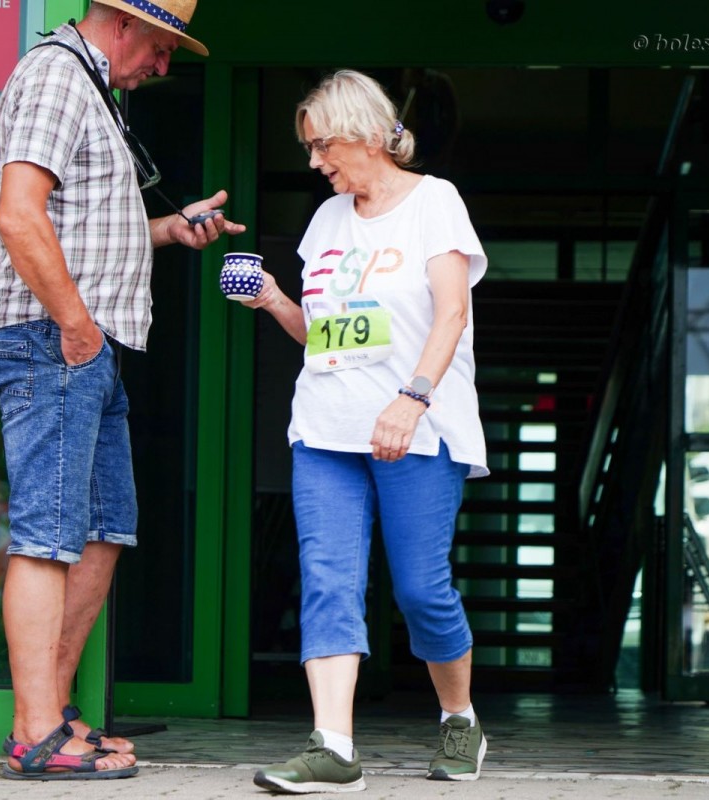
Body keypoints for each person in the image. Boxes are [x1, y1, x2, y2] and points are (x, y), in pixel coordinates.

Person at [0, 0, 244, 780]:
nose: (163, 66)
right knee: (49, 530)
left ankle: (53, 716)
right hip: (54, 337)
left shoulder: (93, 89)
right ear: (123, 25)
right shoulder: (58, 77)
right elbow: (20, 217)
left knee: (102, 527)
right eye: (161, 47)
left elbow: (79, 222)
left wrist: (169, 228)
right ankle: (35, 733)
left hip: (83, 342)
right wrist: (77, 328)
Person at [241, 70, 489, 793]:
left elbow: (450, 314)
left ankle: (460, 719)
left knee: (420, 589)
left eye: (322, 146)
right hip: (325, 426)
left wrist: (412, 399)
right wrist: (276, 300)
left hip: (415, 425)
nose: (315, 162)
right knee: (327, 582)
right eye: (311, 149)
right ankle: (333, 746)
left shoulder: (433, 203)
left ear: (367, 134)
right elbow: (324, 338)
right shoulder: (325, 222)